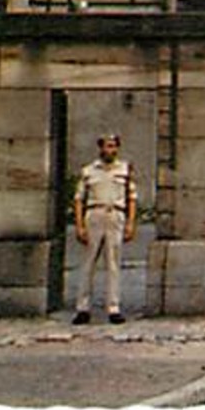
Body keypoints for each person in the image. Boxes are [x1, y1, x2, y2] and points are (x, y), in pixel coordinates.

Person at [72, 133, 137, 325]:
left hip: (115, 213)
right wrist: (79, 225)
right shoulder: (89, 171)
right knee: (89, 263)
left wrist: (131, 223)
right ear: (100, 148)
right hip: (95, 213)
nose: (110, 150)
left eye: (113, 146)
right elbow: (78, 199)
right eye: (107, 146)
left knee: (113, 263)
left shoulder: (125, 170)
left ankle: (113, 307)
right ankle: (83, 307)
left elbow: (132, 197)